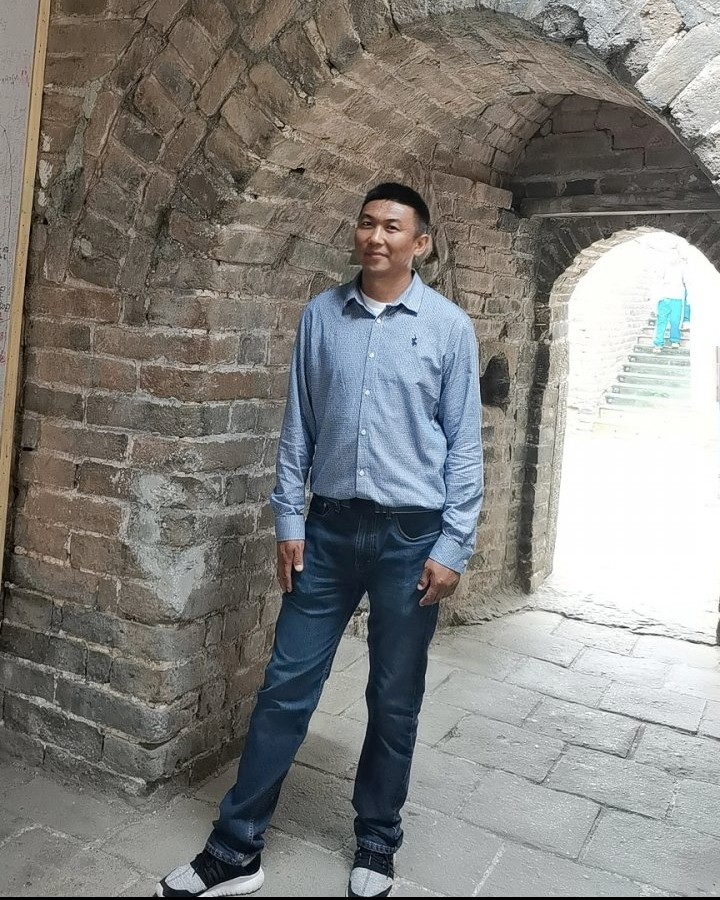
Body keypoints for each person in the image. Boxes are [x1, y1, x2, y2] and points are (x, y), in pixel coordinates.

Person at [155, 183, 484, 899]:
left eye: (392, 227)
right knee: (285, 688)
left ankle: (377, 841)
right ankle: (235, 850)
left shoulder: (449, 329)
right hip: (328, 530)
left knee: (394, 697)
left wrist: (452, 545)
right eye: (366, 223)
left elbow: (464, 445)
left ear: (420, 244)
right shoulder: (321, 316)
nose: (376, 236)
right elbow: (297, 426)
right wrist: (290, 520)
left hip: (412, 536)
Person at [652, 260, 688, 352]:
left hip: (677, 298)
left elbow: (687, 282)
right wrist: (656, 299)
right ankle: (658, 344)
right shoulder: (663, 266)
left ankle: (675, 340)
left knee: (675, 321)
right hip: (664, 298)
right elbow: (657, 282)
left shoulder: (683, 268)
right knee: (661, 321)